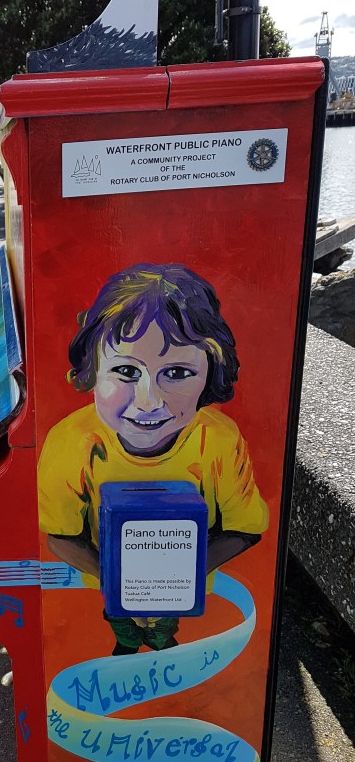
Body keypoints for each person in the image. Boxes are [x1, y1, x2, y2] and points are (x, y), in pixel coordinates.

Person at [37, 262, 269, 655]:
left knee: (164, 630)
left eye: (177, 372)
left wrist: (174, 581)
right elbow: (60, 536)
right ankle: (126, 647)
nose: (149, 401)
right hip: (109, 586)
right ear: (92, 371)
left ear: (210, 375)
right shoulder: (70, 444)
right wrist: (122, 581)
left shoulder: (219, 440)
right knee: (123, 624)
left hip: (182, 595)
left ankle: (163, 645)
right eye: (126, 370)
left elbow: (245, 528)